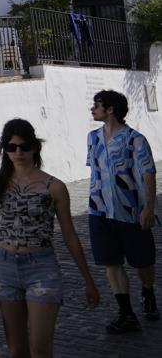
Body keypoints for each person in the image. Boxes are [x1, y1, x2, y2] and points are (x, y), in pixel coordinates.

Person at [0, 119, 99, 357]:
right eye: (11, 147)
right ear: (4, 150)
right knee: (16, 348)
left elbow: (69, 234)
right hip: (5, 268)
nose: (18, 152)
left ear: (35, 147)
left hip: (42, 268)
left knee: (40, 348)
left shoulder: (54, 187)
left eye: (24, 146)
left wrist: (88, 279)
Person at [87, 89, 158, 333]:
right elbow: (95, 171)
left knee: (142, 261)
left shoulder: (135, 139)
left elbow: (148, 172)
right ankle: (126, 313)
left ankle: (147, 292)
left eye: (96, 105)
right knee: (111, 262)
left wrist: (149, 207)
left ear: (110, 109)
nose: (92, 109)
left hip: (130, 211)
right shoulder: (92, 138)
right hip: (99, 211)